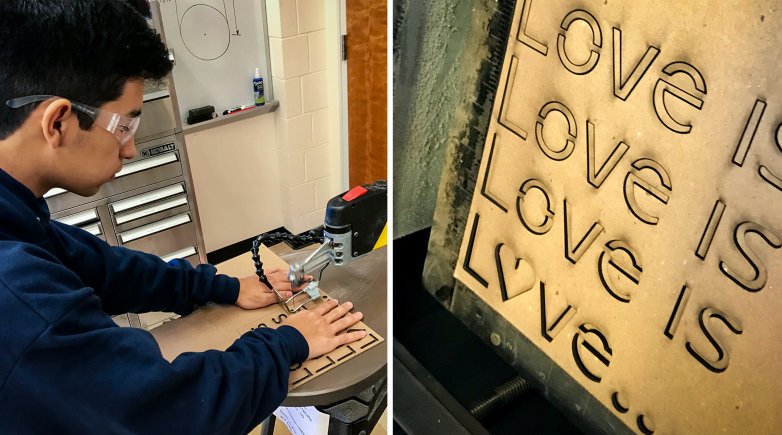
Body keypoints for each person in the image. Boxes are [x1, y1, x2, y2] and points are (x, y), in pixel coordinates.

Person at [0, 0, 367, 432]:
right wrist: (288, 341)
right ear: (58, 122)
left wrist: (219, 286)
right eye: (124, 127)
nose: (130, 150)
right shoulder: (14, 290)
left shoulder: (20, 218)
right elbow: (171, 412)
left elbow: (103, 268)